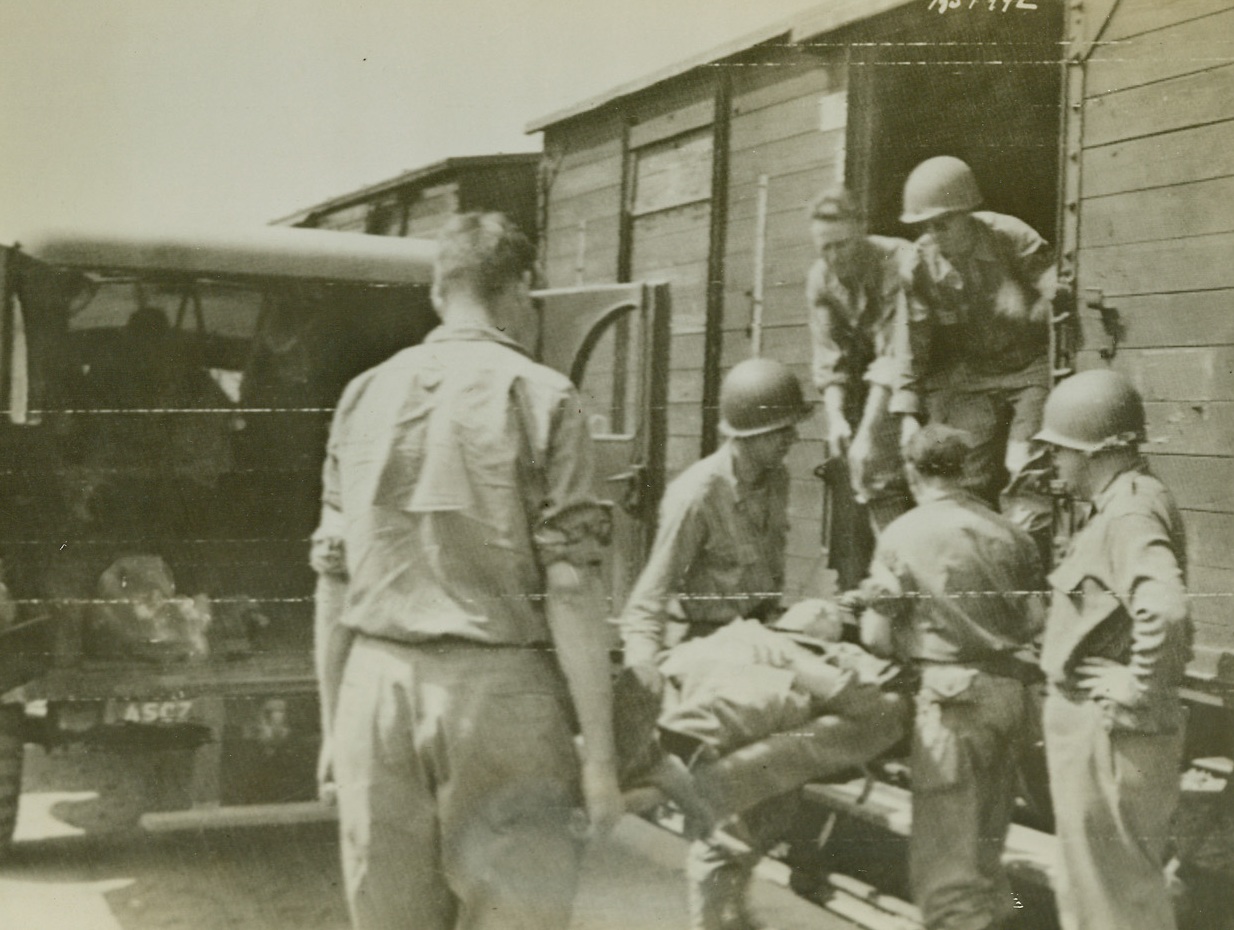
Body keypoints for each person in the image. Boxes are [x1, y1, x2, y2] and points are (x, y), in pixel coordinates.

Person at [311, 212, 622, 930]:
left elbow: (331, 576)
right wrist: (599, 761)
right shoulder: (542, 395)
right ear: (521, 289)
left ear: (437, 292)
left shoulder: (362, 395)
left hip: (374, 688)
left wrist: (333, 727)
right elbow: (570, 586)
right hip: (498, 697)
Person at [618, 355, 812, 930]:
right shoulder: (695, 495)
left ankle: (732, 912)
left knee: (776, 797)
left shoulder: (775, 479)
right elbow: (647, 601)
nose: (793, 441)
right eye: (782, 432)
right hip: (712, 658)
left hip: (761, 648)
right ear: (750, 436)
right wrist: (643, 685)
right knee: (727, 817)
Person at [856, 423, 1045, 930]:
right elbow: (1035, 621)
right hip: (1011, 700)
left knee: (945, 873)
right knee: (986, 854)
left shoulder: (901, 534)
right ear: (964, 470)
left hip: (951, 705)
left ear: (913, 471)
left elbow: (875, 636)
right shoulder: (1011, 532)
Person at [1035, 369, 1192, 930]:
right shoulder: (1127, 501)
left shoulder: (1127, 511)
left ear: (1093, 450)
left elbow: (1166, 608)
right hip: (1105, 733)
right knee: (1098, 895)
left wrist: (1137, 689)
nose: (1053, 461)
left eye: (1059, 449)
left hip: (1109, 733)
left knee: (1116, 904)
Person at [894, 156, 1059, 557]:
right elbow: (911, 341)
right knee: (960, 474)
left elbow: (1060, 295)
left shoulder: (1011, 237)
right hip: (974, 377)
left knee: (1025, 470)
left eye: (942, 224)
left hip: (1029, 369)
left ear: (968, 213)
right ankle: (972, 567)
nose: (933, 235)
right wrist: (906, 413)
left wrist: (1031, 304)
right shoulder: (919, 265)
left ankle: (1025, 568)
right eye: (925, 227)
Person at [807, 187, 915, 589]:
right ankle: (897, 579)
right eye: (825, 249)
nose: (834, 258)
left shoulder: (896, 259)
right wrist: (835, 419)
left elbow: (895, 351)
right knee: (868, 473)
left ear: (863, 231)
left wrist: (869, 434)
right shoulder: (820, 278)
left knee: (921, 466)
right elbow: (829, 357)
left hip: (931, 371)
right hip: (884, 377)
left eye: (842, 245)